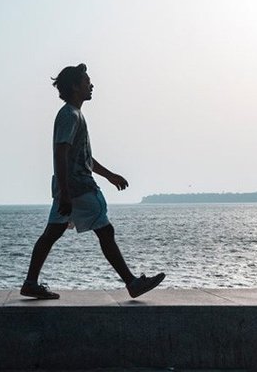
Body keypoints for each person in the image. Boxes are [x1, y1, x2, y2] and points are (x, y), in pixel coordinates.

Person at [20, 64, 165, 299]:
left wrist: (109, 175)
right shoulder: (70, 115)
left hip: (70, 187)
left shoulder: (74, 114)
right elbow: (61, 153)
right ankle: (132, 283)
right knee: (105, 231)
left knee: (52, 233)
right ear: (76, 87)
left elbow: (82, 155)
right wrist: (66, 193)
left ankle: (30, 282)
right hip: (78, 188)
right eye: (87, 81)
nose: (92, 85)